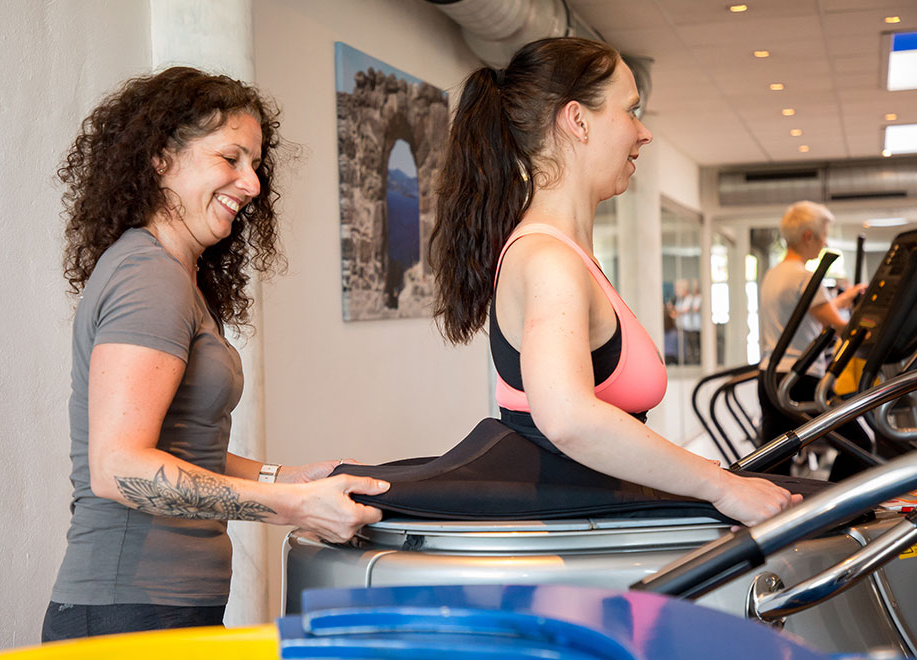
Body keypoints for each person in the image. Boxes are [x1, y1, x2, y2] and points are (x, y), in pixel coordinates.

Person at [42, 67, 389, 641]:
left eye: (255, 164)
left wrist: (289, 480)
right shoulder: (150, 276)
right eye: (231, 159)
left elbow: (181, 450)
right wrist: (291, 507)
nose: (251, 184)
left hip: (163, 606)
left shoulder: (174, 274)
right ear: (161, 159)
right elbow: (118, 467)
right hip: (126, 611)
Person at [428, 37, 800, 528]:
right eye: (631, 111)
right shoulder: (549, 260)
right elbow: (568, 418)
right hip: (580, 528)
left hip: (597, 512)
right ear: (578, 121)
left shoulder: (563, 253)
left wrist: (703, 474)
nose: (644, 133)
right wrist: (719, 484)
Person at [757, 200, 868, 479]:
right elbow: (839, 327)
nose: (824, 242)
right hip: (800, 379)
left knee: (774, 460)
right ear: (809, 236)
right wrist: (869, 326)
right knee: (859, 445)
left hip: (770, 377)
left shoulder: (774, 273)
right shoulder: (805, 277)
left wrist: (841, 300)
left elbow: (804, 314)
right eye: (823, 236)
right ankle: (836, 501)